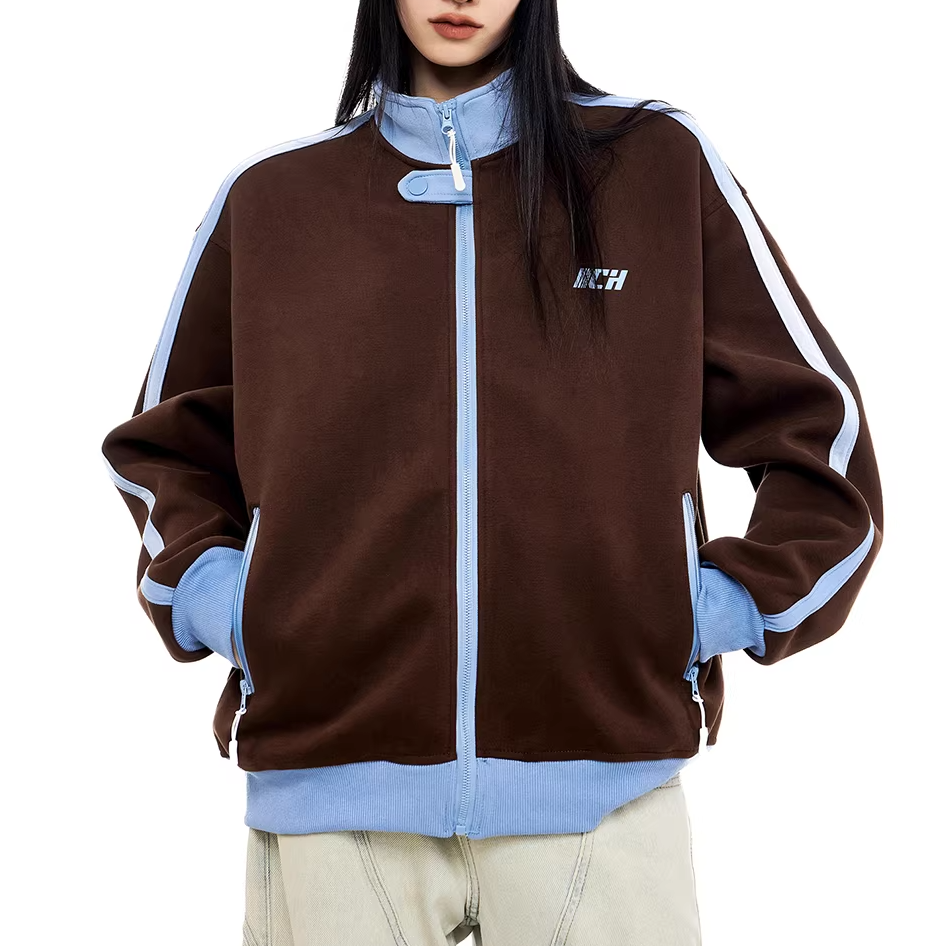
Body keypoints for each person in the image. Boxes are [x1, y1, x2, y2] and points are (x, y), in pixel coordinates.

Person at [99, 1, 884, 943]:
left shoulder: (655, 166)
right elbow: (164, 447)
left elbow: (820, 435)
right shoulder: (274, 199)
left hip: (605, 803)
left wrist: (707, 607)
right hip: (330, 803)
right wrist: (231, 603)